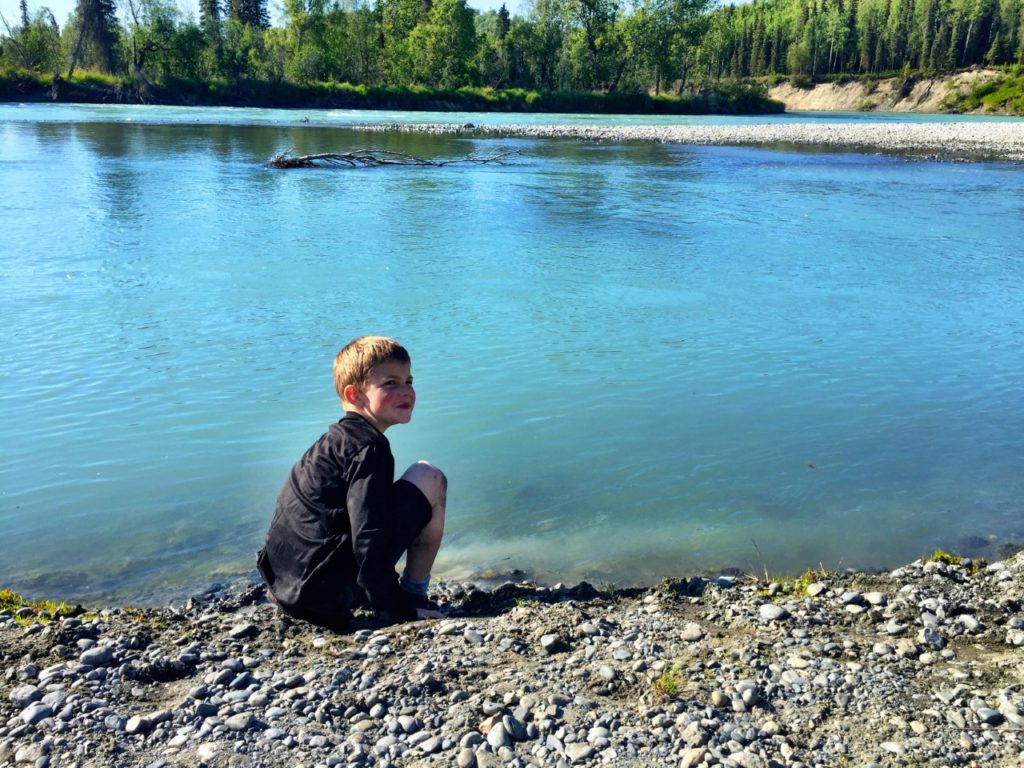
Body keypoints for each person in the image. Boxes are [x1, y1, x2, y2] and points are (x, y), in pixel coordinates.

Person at [257, 336, 446, 630]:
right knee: (429, 477)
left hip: (284, 587)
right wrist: (396, 609)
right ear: (355, 395)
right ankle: (414, 594)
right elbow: (368, 539)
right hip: (324, 597)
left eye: (409, 381)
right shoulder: (369, 449)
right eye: (391, 383)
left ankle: (385, 592)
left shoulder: (333, 443)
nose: (406, 391)